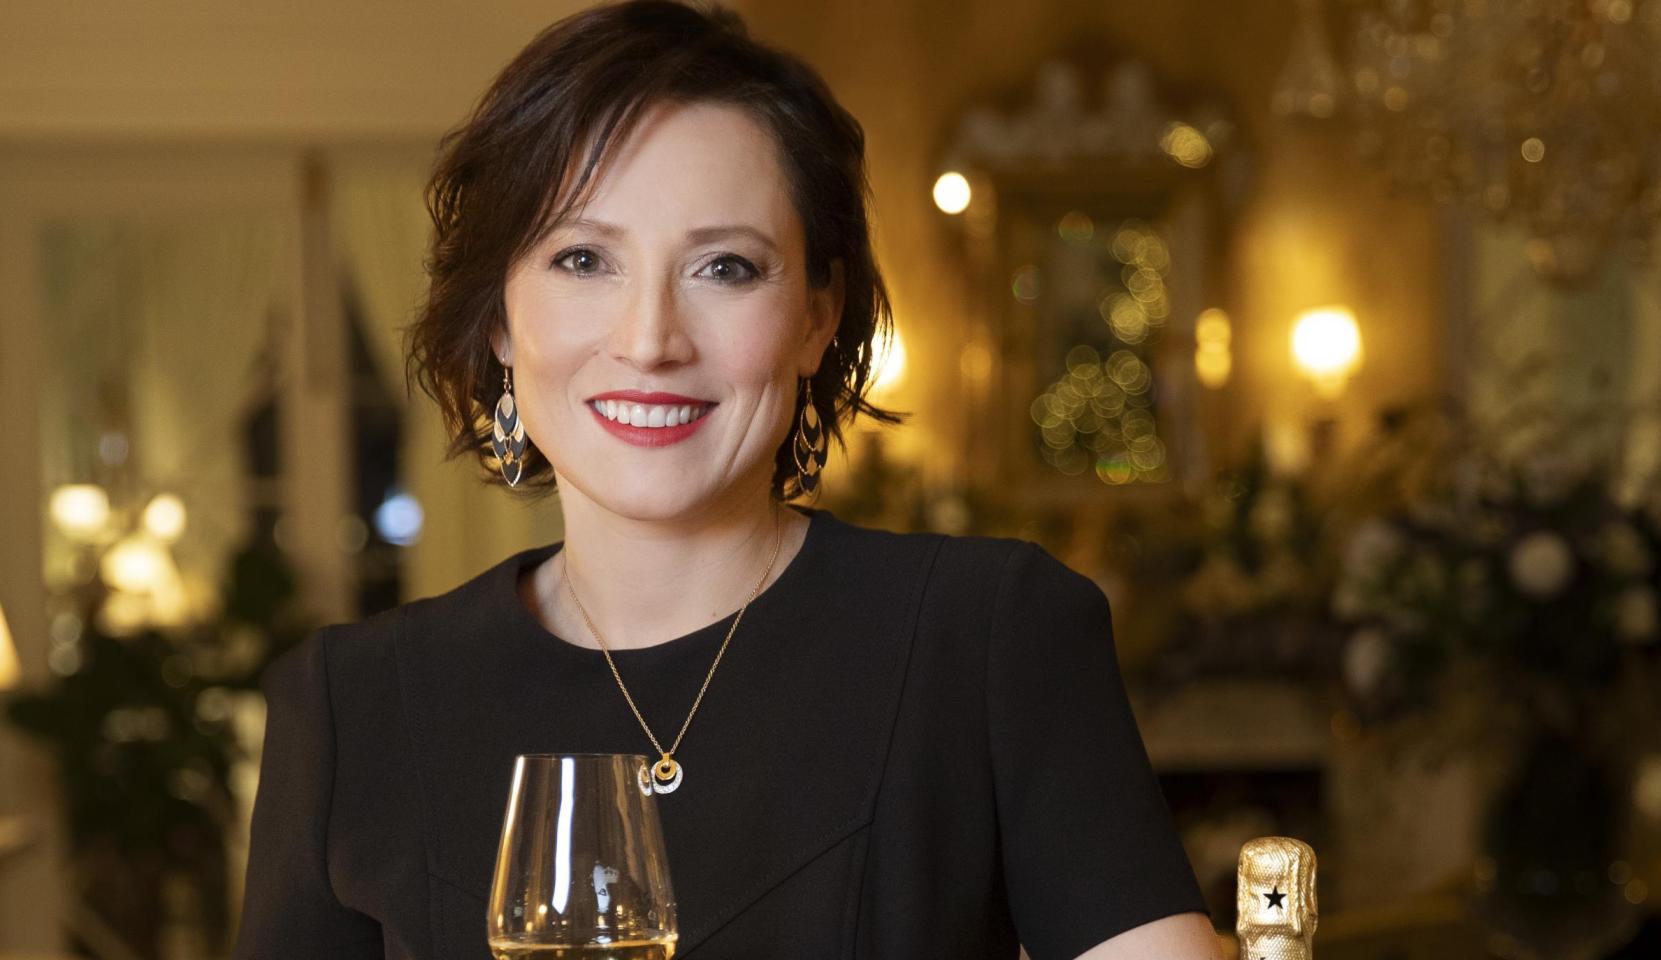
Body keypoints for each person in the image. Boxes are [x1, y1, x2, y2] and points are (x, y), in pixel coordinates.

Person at [232, 2, 1220, 957]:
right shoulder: (353, 706)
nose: (650, 341)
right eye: (583, 258)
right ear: (497, 316)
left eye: (725, 268)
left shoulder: (988, 634)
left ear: (816, 316)